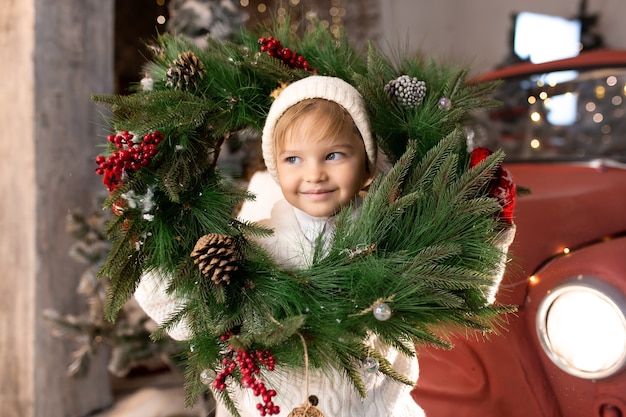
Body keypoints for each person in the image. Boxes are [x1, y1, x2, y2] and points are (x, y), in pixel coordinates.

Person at [134, 76, 514, 417]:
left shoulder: (389, 240)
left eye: (333, 155)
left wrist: (490, 228)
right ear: (276, 169)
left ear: (366, 167)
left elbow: (466, 291)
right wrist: (150, 234)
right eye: (294, 159)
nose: (314, 173)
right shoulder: (251, 247)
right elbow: (184, 315)